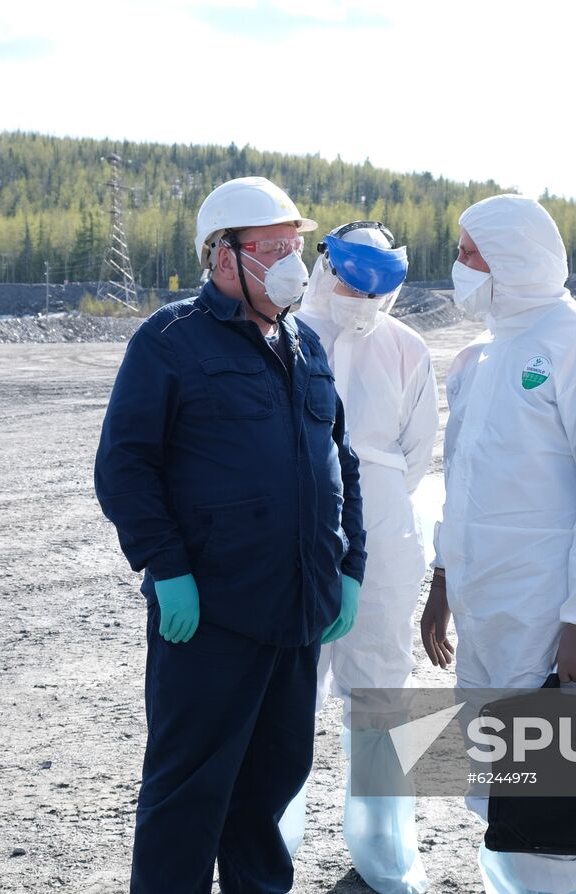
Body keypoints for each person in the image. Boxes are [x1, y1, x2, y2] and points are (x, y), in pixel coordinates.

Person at [94, 176, 366, 893]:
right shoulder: (170, 341)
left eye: (297, 247)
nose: (294, 264)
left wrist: (351, 566)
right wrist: (165, 565)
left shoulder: (305, 342)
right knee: (188, 794)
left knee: (270, 793)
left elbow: (341, 460)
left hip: (296, 617)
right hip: (211, 619)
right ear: (224, 256)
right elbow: (125, 465)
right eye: (274, 249)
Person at [419, 194, 576, 894]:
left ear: (513, 256)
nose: (457, 267)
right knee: (502, 784)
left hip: (556, 613)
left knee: (562, 794)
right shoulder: (482, 357)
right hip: (491, 608)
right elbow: (464, 487)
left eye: (468, 252)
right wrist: (442, 583)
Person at [282, 221, 439, 892]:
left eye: (373, 283)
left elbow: (415, 451)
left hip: (384, 528)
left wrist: (367, 504)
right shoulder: (282, 333)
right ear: (323, 266)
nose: (357, 293)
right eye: (348, 275)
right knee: (287, 690)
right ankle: (272, 842)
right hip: (293, 527)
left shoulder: (407, 348)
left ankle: (384, 848)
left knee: (380, 693)